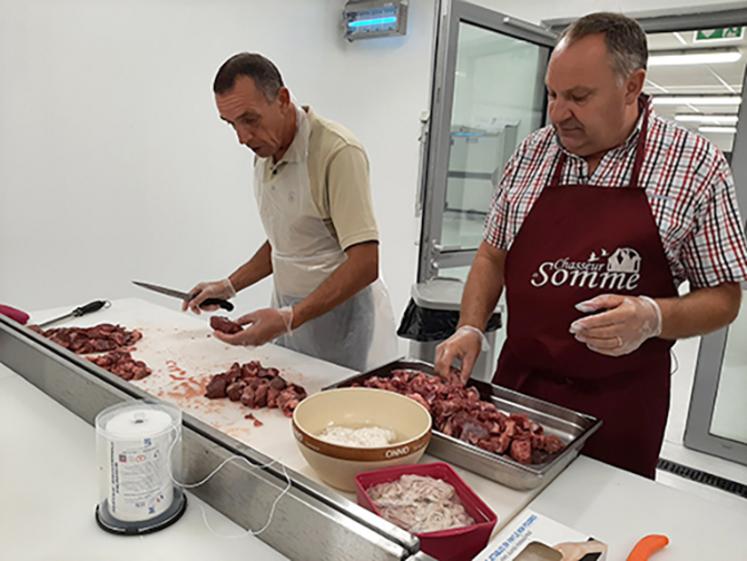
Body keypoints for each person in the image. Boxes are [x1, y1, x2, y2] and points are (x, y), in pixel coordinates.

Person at [435, 12, 747, 478]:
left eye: (578, 97)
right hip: (522, 390)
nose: (559, 113)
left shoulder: (694, 166)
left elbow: (724, 296)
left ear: (631, 85)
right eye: (553, 95)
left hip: (622, 403)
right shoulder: (532, 154)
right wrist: (471, 327)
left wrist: (654, 318)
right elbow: (491, 253)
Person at [184, 52, 397, 372]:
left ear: (282, 99)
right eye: (232, 125)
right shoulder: (265, 151)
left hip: (341, 320)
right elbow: (287, 239)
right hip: (286, 313)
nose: (242, 138)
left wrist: (292, 317)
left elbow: (366, 263)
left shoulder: (337, 152)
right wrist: (229, 285)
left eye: (250, 119)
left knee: (331, 411)